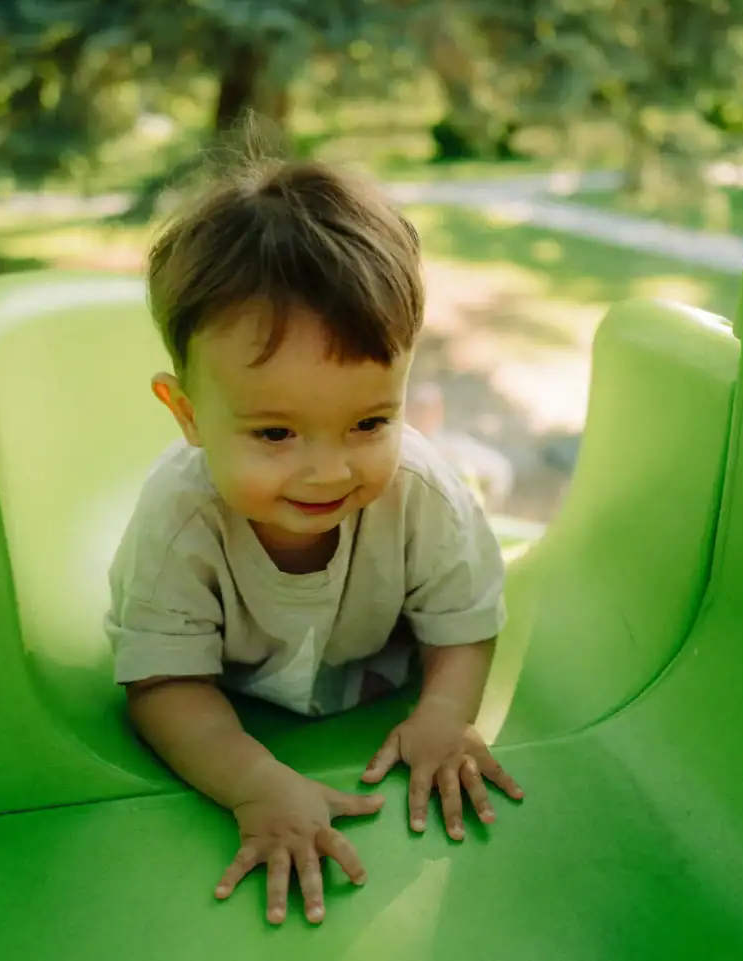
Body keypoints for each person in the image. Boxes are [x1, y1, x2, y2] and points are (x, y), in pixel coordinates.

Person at [102, 149, 525, 927]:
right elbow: (161, 683)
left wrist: (443, 714)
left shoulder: (422, 494)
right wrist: (253, 781)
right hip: (243, 711)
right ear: (188, 412)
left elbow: (465, 623)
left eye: (370, 421)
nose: (328, 470)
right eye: (275, 432)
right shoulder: (180, 521)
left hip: (372, 686)